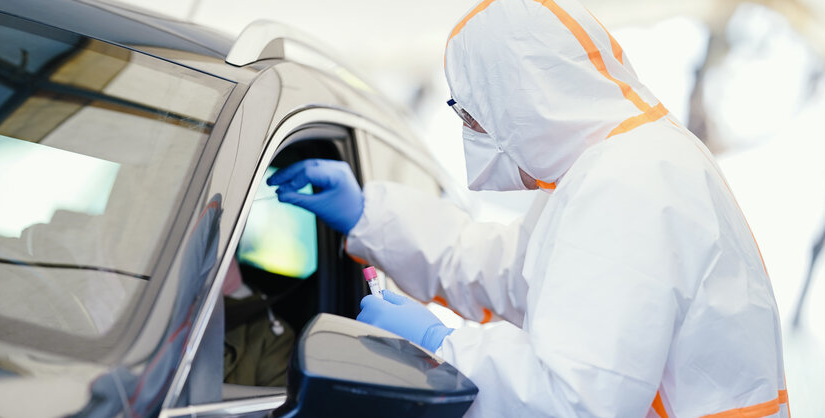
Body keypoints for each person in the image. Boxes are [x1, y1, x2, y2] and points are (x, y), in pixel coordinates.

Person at [267, 0, 789, 416]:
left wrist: (441, 349)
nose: (472, 130)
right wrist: (369, 215)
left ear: (524, 97)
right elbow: (512, 271)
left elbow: (574, 401)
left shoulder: (630, 185)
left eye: (472, 113)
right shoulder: (619, 166)